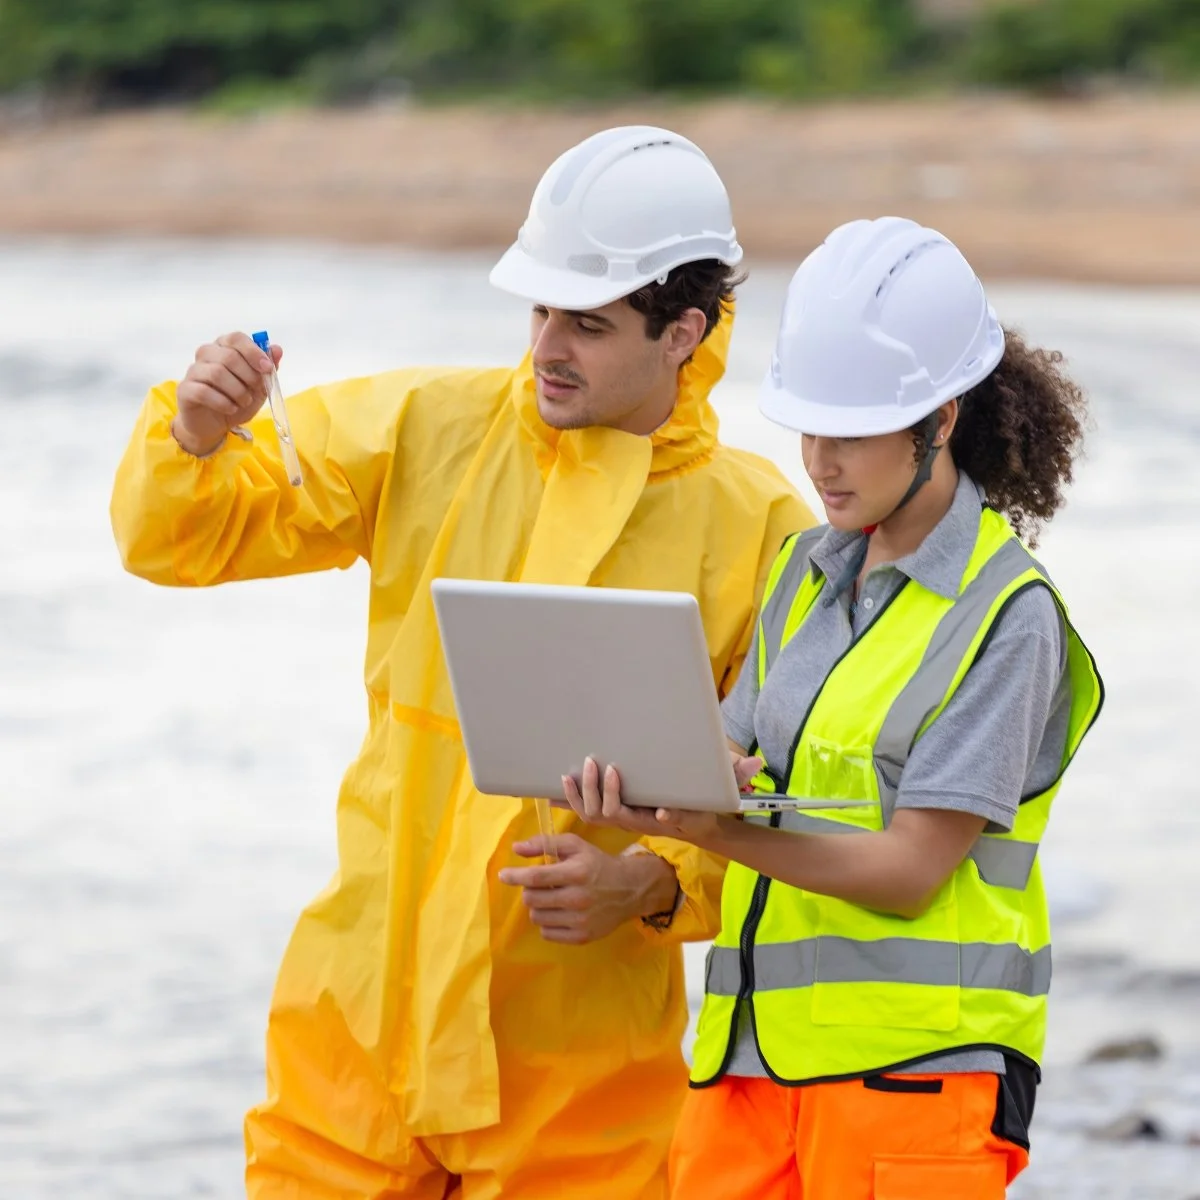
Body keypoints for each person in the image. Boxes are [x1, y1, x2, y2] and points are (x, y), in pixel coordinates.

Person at [109, 125, 811, 1198]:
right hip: (356, 1034)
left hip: (576, 1078)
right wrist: (196, 437)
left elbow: (790, 799)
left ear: (684, 332)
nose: (545, 349)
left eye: (586, 322)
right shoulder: (426, 425)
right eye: (537, 311)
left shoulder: (759, 524)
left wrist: (647, 885)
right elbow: (187, 538)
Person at [560, 216, 1104, 1199]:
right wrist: (651, 797)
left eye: (851, 432)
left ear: (941, 421)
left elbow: (906, 873)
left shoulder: (1007, 616)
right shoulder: (804, 574)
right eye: (811, 426)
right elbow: (730, 763)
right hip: (745, 1063)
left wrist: (707, 826)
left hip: (915, 1084)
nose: (821, 461)